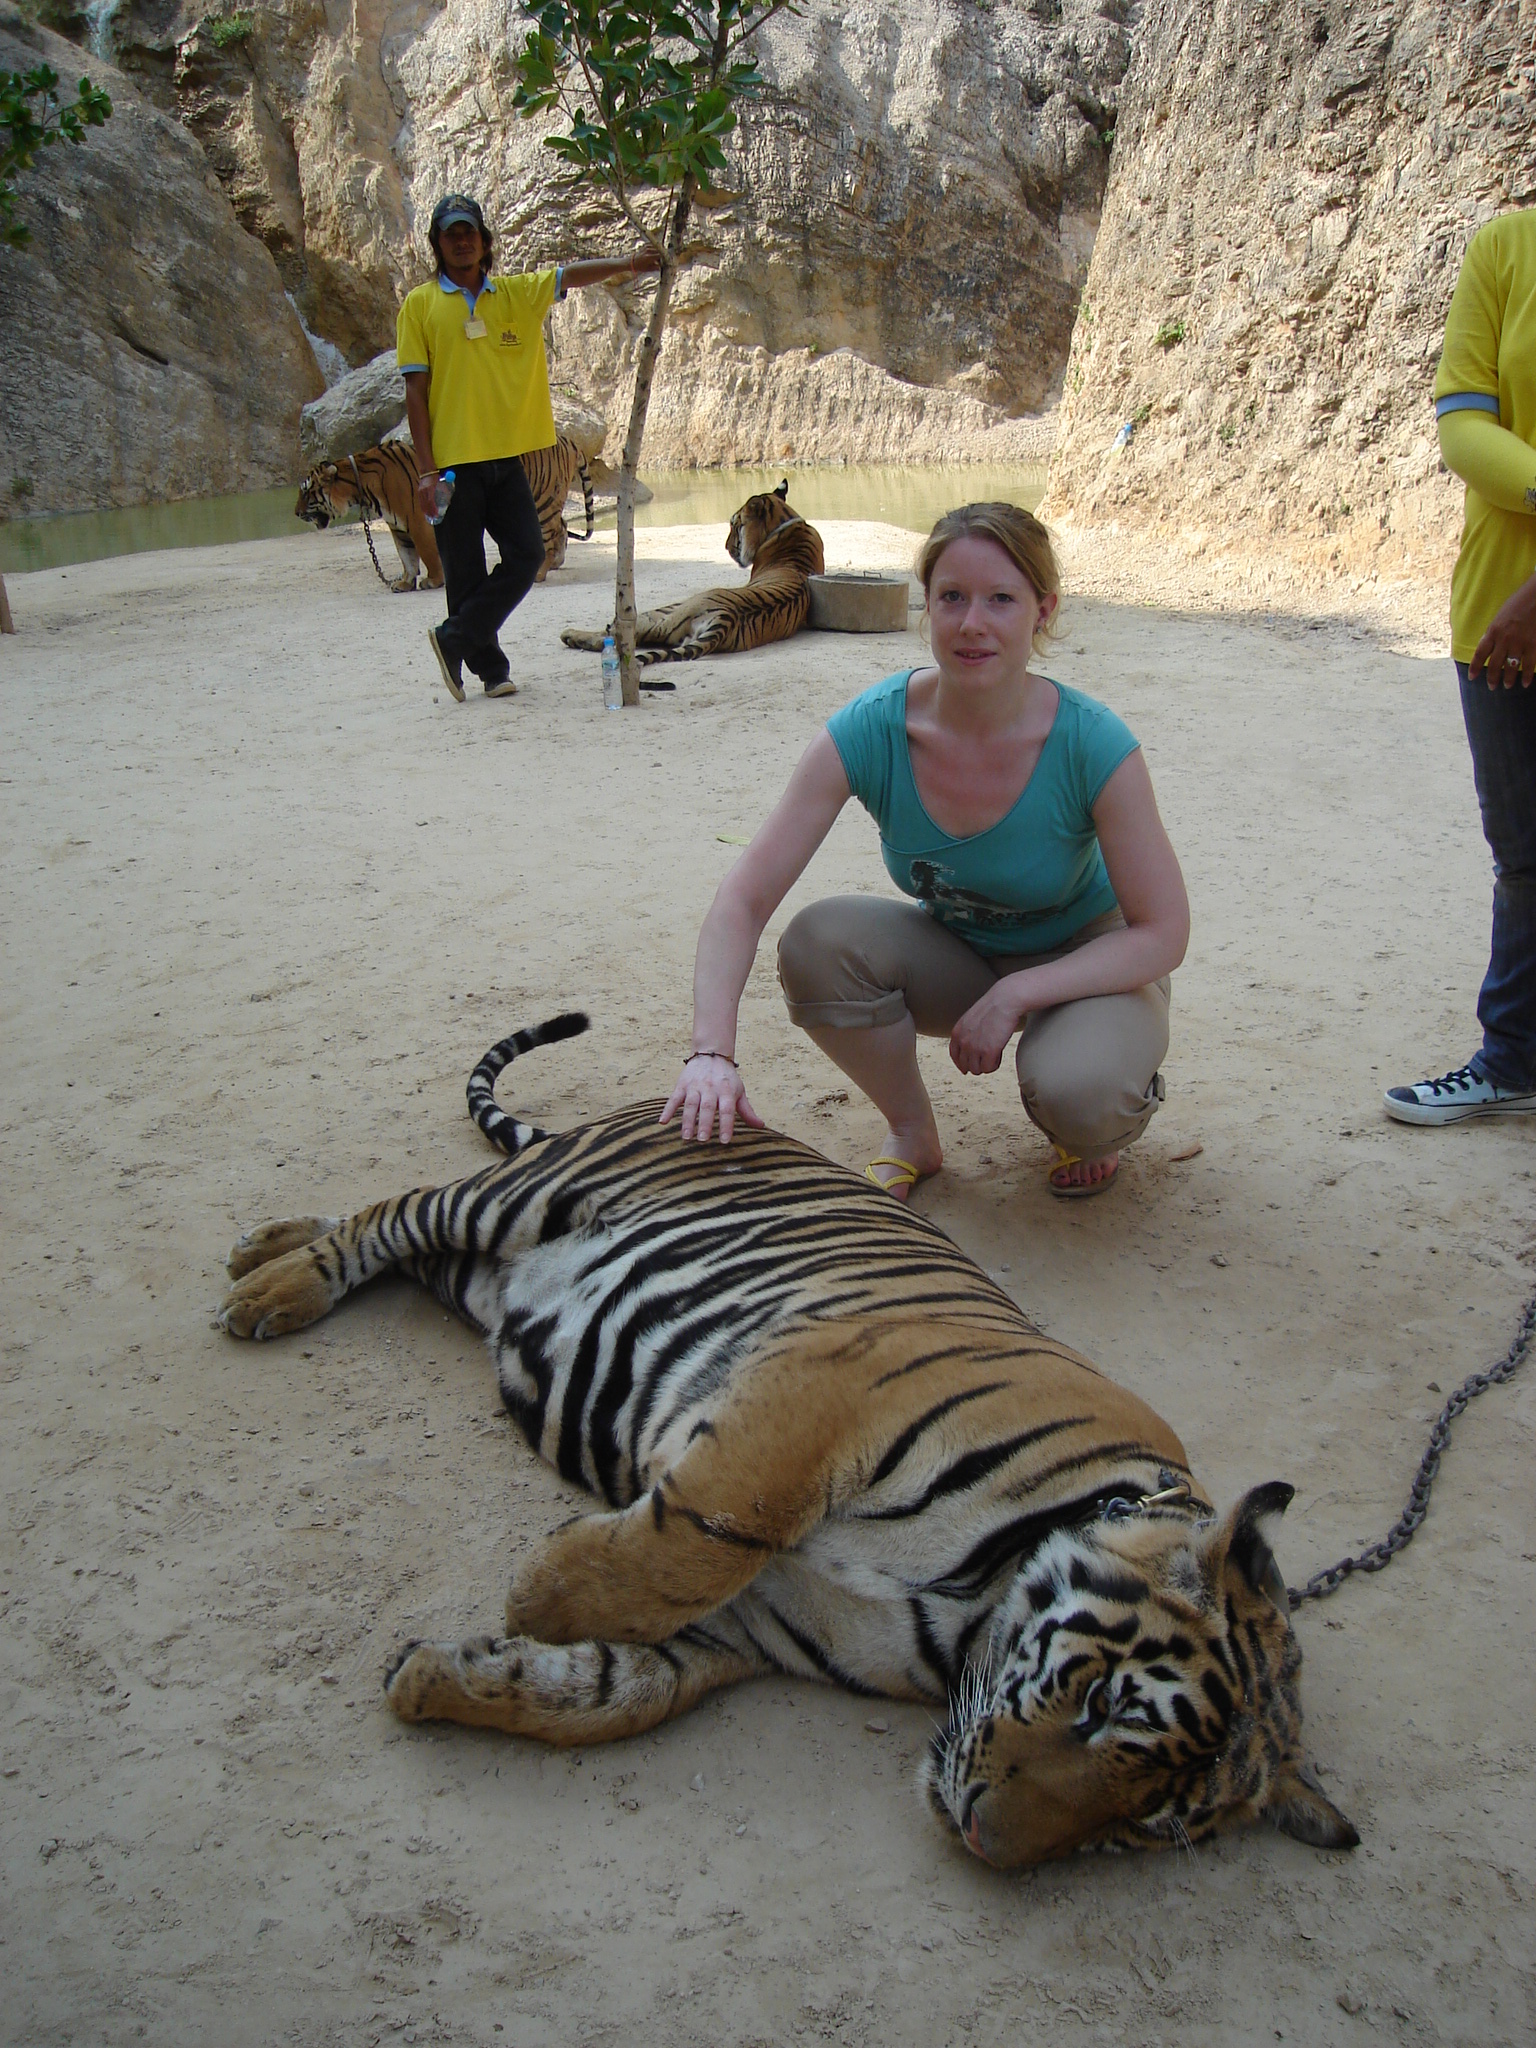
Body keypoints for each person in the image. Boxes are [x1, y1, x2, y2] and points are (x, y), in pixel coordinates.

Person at [660, 502, 1190, 1199]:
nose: (973, 623)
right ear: (927, 608)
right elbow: (743, 898)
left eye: (1002, 599)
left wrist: (1019, 993)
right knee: (817, 944)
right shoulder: (871, 730)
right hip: (962, 955)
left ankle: (1102, 1097)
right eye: (952, 598)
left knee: (1082, 1097)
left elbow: (1164, 932)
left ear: (1042, 610)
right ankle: (913, 1131)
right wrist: (710, 1052)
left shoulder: (1094, 743)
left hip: (1088, 964)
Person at [1386, 208, 1536, 1125]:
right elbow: (1463, 427)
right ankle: (1514, 1060)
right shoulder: (1507, 246)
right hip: (1497, 616)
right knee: (1523, 859)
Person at [397, 194, 660, 701]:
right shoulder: (420, 306)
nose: (461, 241)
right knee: (464, 571)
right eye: (451, 233)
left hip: (506, 457)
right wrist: (426, 472)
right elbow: (415, 391)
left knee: (527, 554)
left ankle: (452, 639)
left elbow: (569, 274)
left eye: (468, 231)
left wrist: (628, 264)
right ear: (437, 243)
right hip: (451, 465)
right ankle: (491, 671)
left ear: (483, 240)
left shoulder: (515, 294)